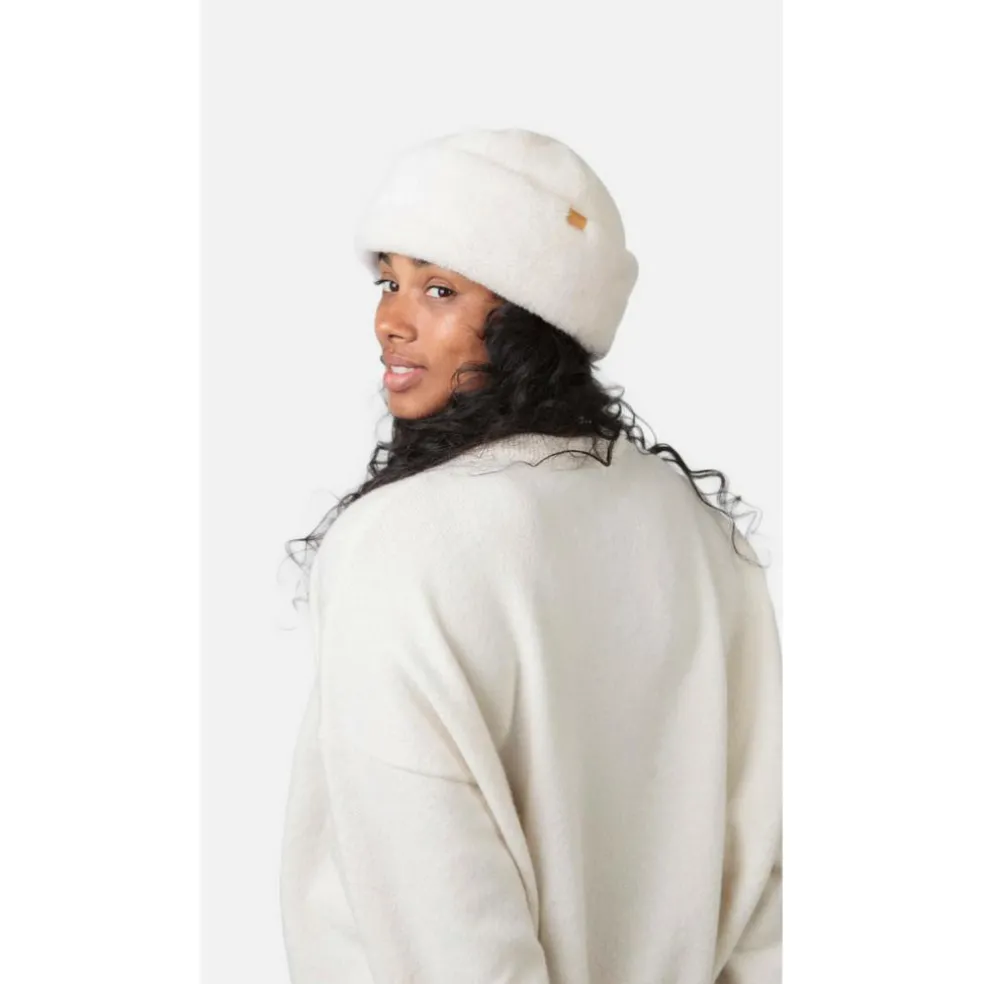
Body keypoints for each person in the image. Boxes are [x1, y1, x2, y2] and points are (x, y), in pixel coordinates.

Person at [280, 127, 782, 984]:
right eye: (389, 281)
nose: (391, 321)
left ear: (529, 316)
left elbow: (440, 901)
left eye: (440, 289)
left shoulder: (402, 543)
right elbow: (765, 885)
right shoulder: (701, 537)